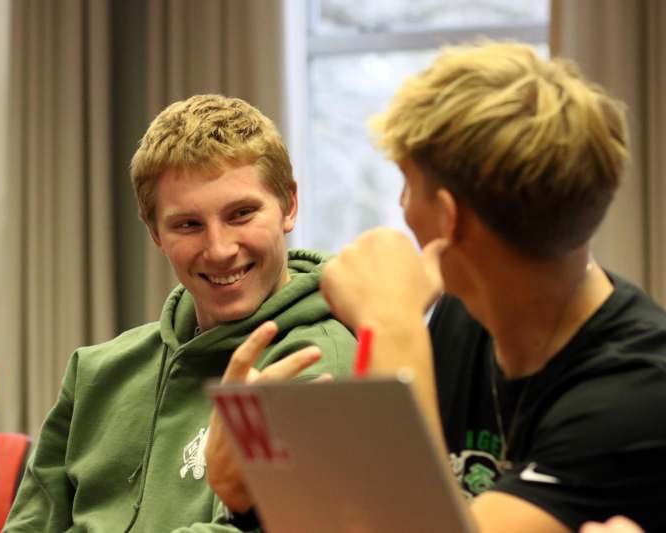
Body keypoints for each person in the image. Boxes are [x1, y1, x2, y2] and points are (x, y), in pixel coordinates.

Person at [206, 42, 666, 532]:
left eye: (406, 186)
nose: (401, 208)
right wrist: (249, 500)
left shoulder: (638, 397)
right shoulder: (463, 317)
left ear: (448, 217)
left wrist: (391, 320)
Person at [3, 94, 356, 532]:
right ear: (154, 232)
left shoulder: (318, 361)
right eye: (188, 224)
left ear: (289, 205)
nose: (220, 249)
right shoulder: (96, 372)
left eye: (241, 214)